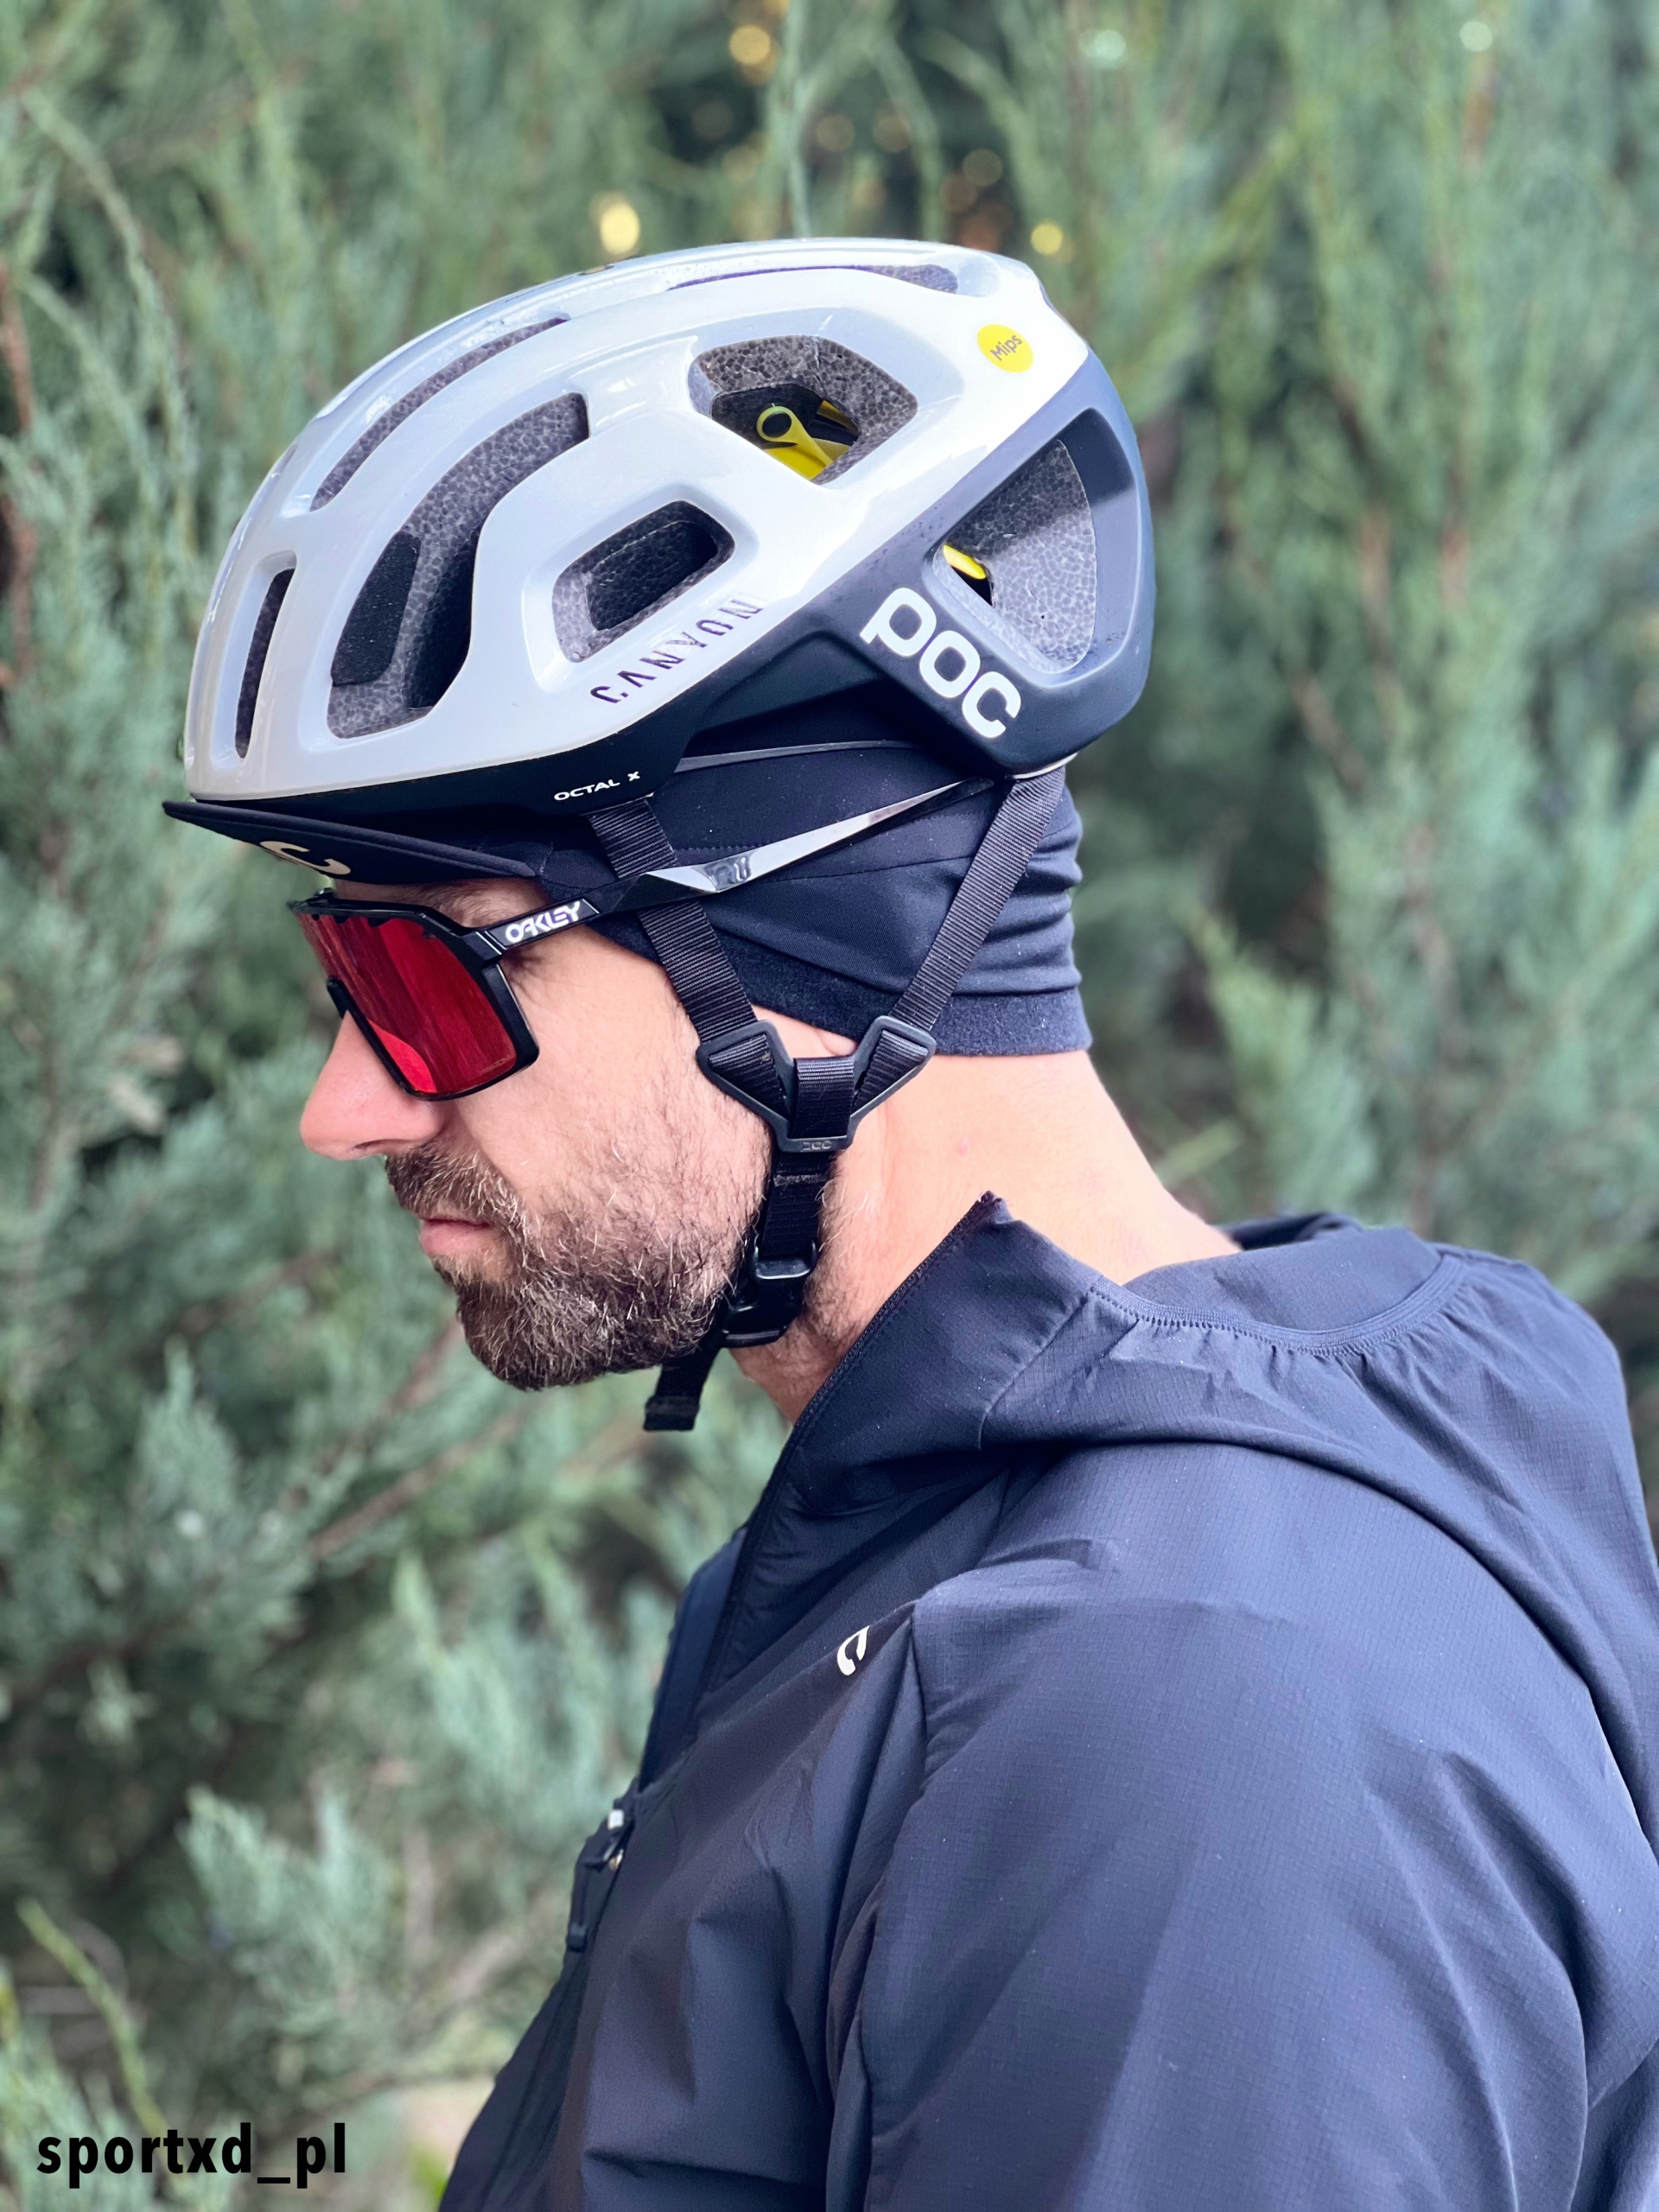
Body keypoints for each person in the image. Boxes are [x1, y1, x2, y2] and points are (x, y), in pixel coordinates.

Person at [168, 240, 1659, 2210]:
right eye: (338, 975)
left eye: (418, 978)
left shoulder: (1181, 1729)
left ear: (802, 959)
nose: (343, 1105)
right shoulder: (955, 1548)